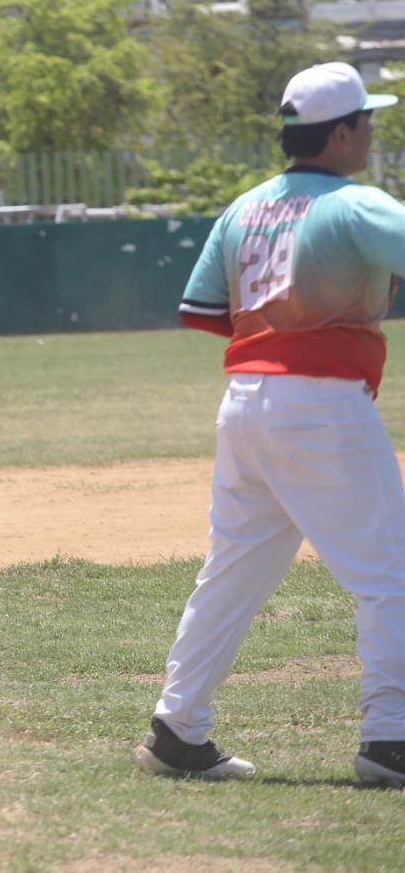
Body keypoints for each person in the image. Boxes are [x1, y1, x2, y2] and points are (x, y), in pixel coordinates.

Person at [138, 62, 405, 784]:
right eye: (368, 122)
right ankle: (391, 740)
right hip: (321, 407)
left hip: (246, 404)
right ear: (343, 131)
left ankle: (178, 728)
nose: (373, 134)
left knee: (232, 572)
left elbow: (201, 310)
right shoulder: (356, 204)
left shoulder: (246, 206)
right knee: (392, 572)